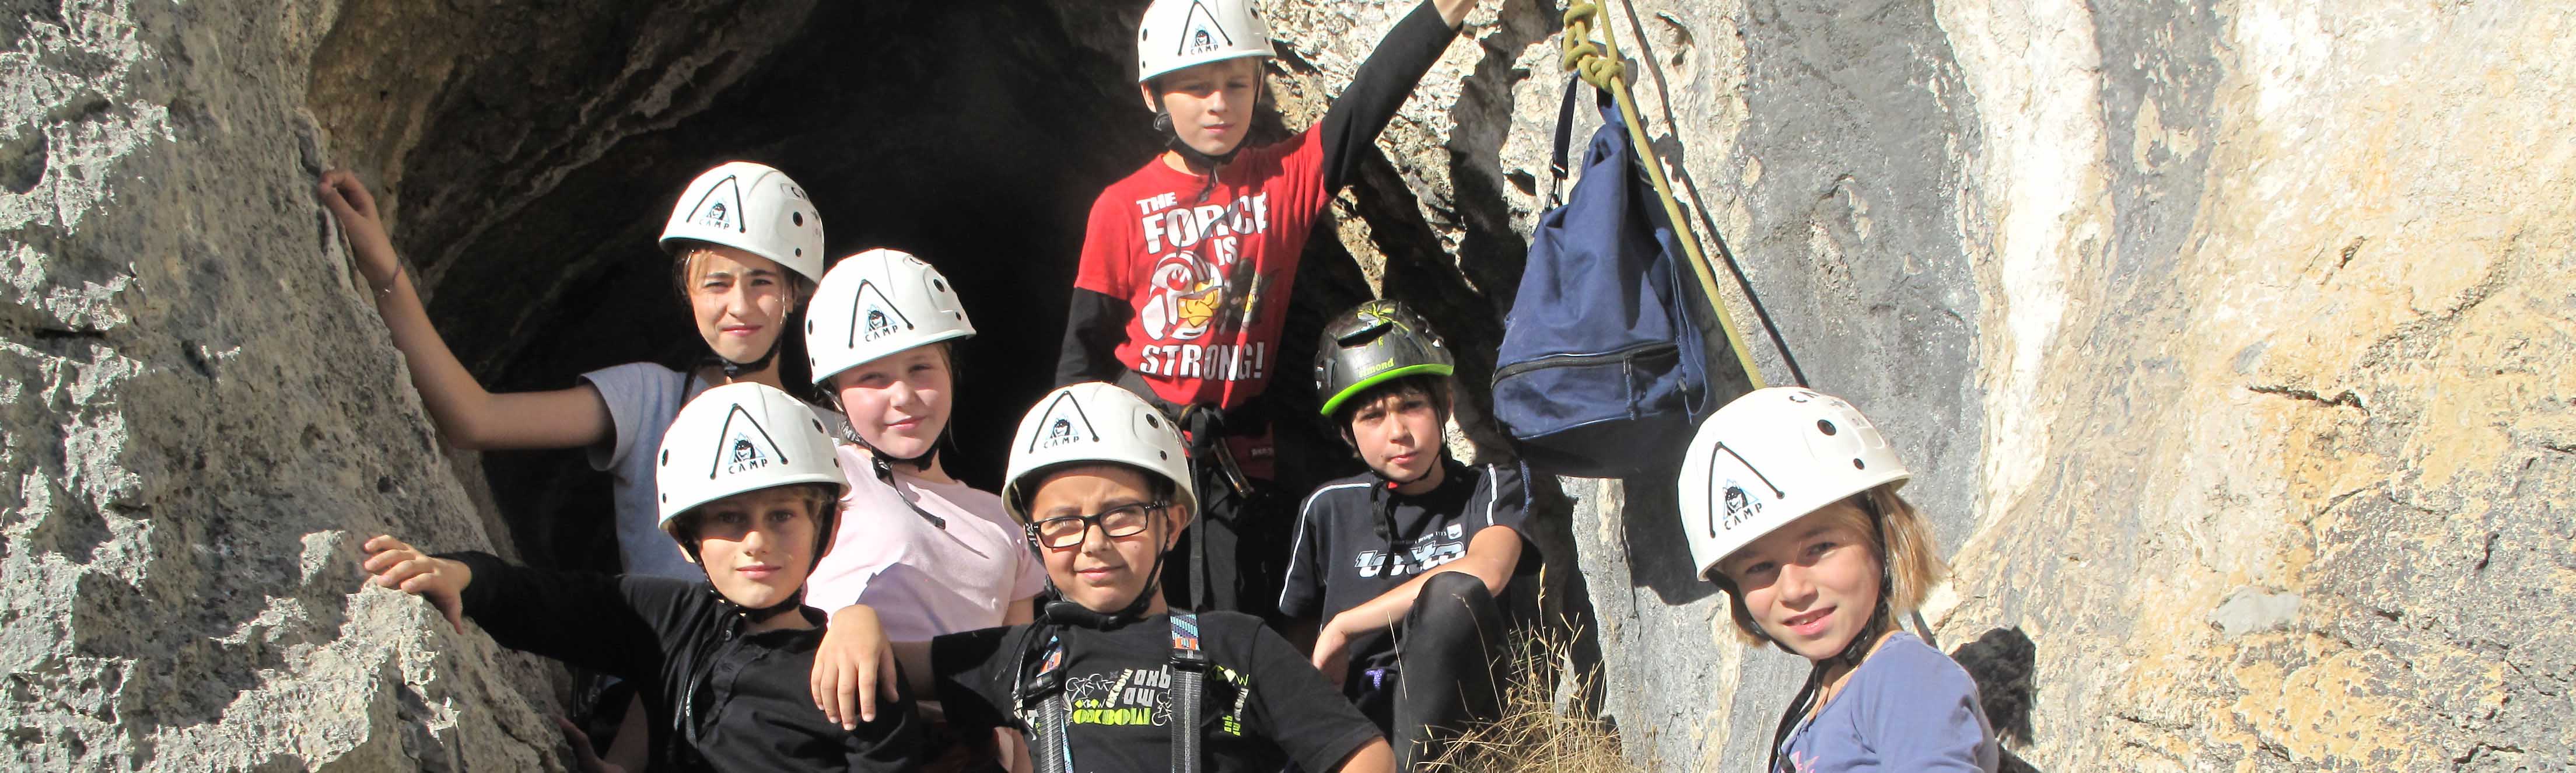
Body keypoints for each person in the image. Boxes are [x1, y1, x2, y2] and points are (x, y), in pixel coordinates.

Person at [323, 160, 843, 766]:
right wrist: (384, 271)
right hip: (649, 691)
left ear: (796, 292)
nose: (739, 304)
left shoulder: (833, 435)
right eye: (716, 283)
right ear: (688, 292)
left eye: (762, 281)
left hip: (779, 697)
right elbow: (475, 419)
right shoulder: (650, 397)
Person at [1054, 0, 1483, 620]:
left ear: (1261, 84)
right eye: (1196, 88)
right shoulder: (1120, 208)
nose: (1218, 103)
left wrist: (1446, 11)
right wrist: (1071, 473)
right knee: (1131, 607)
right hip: (1140, 434)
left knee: (1232, 610)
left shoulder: (1283, 178)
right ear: (1155, 96)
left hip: (1235, 441)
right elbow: (1083, 349)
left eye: (1236, 83)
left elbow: (1365, 103)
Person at [811, 383, 1396, 772]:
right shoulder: (1021, 654)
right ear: (1037, 540)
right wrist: (854, 621)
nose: (1093, 542)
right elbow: (886, 664)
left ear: (1171, 522)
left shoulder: (1236, 644)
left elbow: (1362, 753)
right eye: (1062, 523)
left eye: (1121, 515)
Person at [359, 382, 923, 772]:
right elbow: (546, 601)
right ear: (690, 537)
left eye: (782, 514)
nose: (757, 540)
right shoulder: (673, 619)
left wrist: (855, 619)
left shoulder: (854, 675)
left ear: (822, 524)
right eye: (730, 517)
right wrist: (462, 575)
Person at [800, 247, 1045, 769]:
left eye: (920, 368)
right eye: (872, 378)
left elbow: (1016, 687)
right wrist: (845, 620)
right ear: (835, 394)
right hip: (853, 740)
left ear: (952, 370)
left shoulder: (1004, 517)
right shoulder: (822, 475)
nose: (904, 395)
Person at [1678, 387, 2000, 772]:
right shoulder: (1824, 700)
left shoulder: (1903, 678)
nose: (1796, 589)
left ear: (1882, 539)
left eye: (1820, 547)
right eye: (1759, 567)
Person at [1278, 300, 1535, 768]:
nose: (1398, 431)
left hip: (1459, 720)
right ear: (1346, 435)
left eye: (1413, 405)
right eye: (1372, 417)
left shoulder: (1490, 486)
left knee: (1453, 595)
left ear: (1446, 406)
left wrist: (1345, 625)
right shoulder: (1328, 508)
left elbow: (1487, 572)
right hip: (1357, 722)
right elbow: (1298, 639)